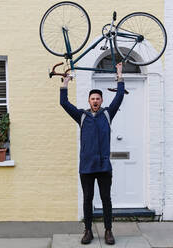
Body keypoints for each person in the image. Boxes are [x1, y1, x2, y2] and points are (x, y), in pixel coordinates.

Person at [59, 62, 125, 245]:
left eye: (98, 98)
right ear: (89, 101)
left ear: (101, 101)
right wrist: (65, 83)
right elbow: (63, 102)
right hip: (86, 167)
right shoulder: (81, 116)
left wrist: (119, 74)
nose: (95, 101)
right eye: (92, 99)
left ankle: (108, 231)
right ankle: (87, 230)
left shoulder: (107, 114)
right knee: (87, 199)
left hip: (104, 166)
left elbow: (119, 97)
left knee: (106, 200)